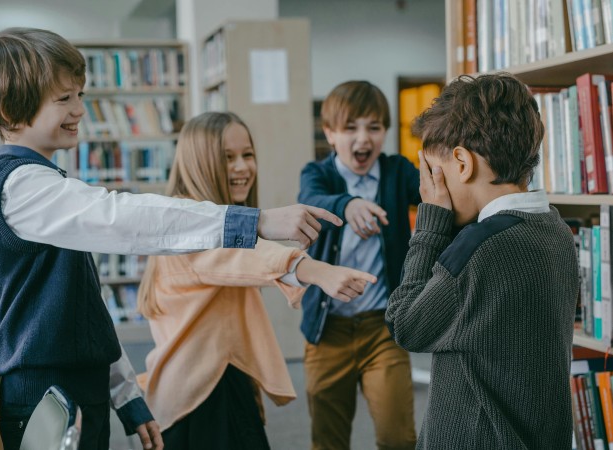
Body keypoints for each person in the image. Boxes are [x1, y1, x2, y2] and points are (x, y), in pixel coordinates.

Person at [0, 27, 341, 450]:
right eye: (64, 98)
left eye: (80, 95)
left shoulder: (46, 184)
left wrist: (126, 396)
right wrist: (255, 221)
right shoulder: (21, 187)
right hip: (46, 399)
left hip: (76, 393)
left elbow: (86, 311)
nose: (80, 109)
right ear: (10, 110)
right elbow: (124, 218)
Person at [136, 111, 377, 449]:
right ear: (199, 162)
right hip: (201, 397)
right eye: (227, 157)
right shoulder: (187, 222)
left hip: (212, 383)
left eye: (247, 155)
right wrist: (316, 271)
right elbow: (240, 254)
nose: (242, 167)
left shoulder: (199, 216)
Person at [385, 73, 580, 449]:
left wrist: (430, 222)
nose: (430, 188)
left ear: (462, 163)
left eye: (433, 173)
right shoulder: (555, 228)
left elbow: (405, 324)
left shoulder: (480, 248)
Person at [297, 80, 420, 450]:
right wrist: (347, 204)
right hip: (328, 330)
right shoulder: (318, 174)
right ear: (330, 134)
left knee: (398, 438)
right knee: (328, 440)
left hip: (382, 327)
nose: (363, 139)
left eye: (374, 127)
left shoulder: (397, 171)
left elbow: (433, 195)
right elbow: (310, 199)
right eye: (350, 128)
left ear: (385, 132)